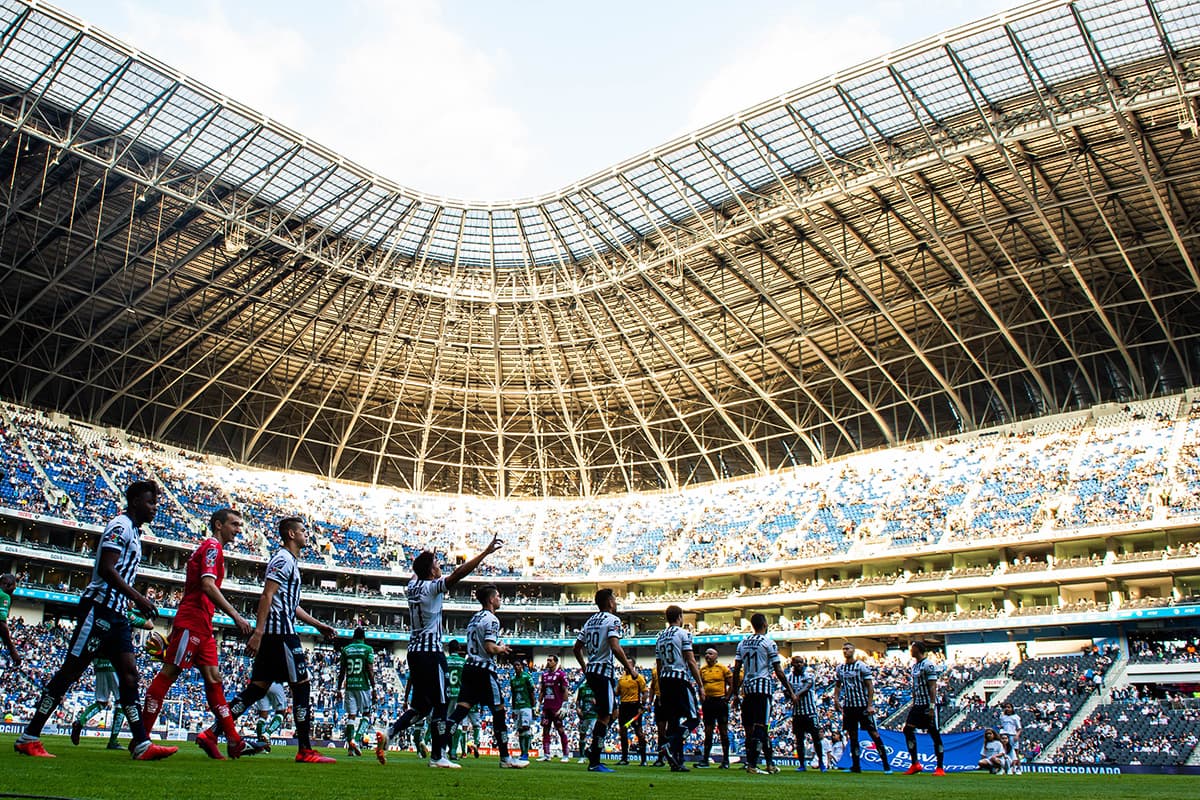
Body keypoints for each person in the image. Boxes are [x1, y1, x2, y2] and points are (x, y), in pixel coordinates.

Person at [15, 481, 176, 760]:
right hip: (99, 610)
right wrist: (139, 598)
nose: (155, 508)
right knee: (70, 672)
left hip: (117, 615)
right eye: (151, 503)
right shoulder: (120, 526)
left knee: (130, 675)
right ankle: (30, 736)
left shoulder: (135, 533)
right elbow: (106, 568)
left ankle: (141, 744)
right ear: (136, 501)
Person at [198, 516, 338, 764]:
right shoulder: (283, 559)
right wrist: (259, 633)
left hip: (277, 633)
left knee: (255, 690)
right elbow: (267, 596)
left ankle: (212, 733)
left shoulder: (291, 562)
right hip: (280, 635)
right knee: (302, 686)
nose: (307, 535)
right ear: (292, 535)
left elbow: (291, 606)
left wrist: (318, 625)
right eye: (303, 531)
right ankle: (305, 749)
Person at [375, 535, 503, 768]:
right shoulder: (432, 587)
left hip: (413, 652)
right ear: (431, 571)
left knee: (421, 706)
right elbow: (459, 574)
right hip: (431, 652)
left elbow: (419, 570)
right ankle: (437, 756)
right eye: (437, 564)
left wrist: (428, 559)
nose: (440, 567)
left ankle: (391, 731)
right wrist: (484, 553)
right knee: (442, 702)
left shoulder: (412, 586)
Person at [141, 508, 256, 759]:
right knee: (169, 673)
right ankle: (142, 741)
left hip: (203, 625)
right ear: (218, 525)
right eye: (234, 524)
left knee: (214, 679)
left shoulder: (214, 548)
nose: (238, 530)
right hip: (192, 621)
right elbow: (207, 584)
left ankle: (233, 740)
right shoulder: (212, 547)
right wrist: (236, 615)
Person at [445, 584, 526, 768]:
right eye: (498, 596)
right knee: (499, 712)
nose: (500, 599)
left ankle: (440, 750)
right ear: (491, 599)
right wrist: (502, 648)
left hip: (470, 667)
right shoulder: (492, 620)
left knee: (460, 711)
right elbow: (490, 648)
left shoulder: (474, 618)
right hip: (484, 670)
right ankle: (505, 758)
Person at [573, 587, 637, 773]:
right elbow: (615, 647)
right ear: (609, 602)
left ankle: (593, 751)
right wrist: (629, 667)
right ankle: (594, 760)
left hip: (592, 671)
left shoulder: (590, 621)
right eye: (614, 600)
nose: (616, 603)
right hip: (603, 672)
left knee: (613, 713)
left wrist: (585, 667)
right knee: (605, 715)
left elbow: (576, 648)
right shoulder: (613, 620)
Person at [71, 611, 153, 750]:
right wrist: (140, 611)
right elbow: (149, 625)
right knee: (121, 702)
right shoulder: (126, 613)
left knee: (101, 702)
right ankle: (113, 740)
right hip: (115, 662)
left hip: (99, 662)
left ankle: (81, 720)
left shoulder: (104, 610)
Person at [731, 612, 795, 775]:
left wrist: (735, 693)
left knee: (750, 730)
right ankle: (752, 765)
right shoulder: (769, 643)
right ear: (765, 624)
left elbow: (737, 669)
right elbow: (779, 671)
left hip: (747, 690)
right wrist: (790, 691)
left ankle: (770, 764)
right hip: (762, 689)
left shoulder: (742, 643)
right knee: (760, 728)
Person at [654, 605, 705, 772]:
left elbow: (659, 665)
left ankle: (678, 761)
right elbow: (690, 660)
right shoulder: (683, 634)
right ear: (680, 617)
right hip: (679, 679)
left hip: (665, 681)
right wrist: (700, 684)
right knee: (694, 718)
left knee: (674, 722)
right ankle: (671, 745)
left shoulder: (660, 637)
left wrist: (660, 689)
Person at [833, 642, 891, 774]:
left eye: (847, 649)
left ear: (853, 650)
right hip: (849, 707)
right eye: (843, 649)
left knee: (874, 734)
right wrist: (836, 699)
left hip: (862, 706)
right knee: (852, 736)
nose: (845, 651)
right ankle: (856, 765)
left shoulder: (861, 666)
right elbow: (838, 685)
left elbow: (870, 686)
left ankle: (886, 765)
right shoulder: (840, 668)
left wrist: (870, 704)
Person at [901, 641, 945, 776]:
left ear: (918, 649)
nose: (910, 650)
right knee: (907, 729)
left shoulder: (928, 664)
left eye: (912, 648)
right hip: (918, 704)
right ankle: (915, 763)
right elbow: (915, 686)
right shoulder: (914, 666)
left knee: (934, 733)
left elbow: (932, 686)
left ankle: (939, 767)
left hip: (927, 704)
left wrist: (932, 706)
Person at [339, 627, 376, 757]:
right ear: (363, 637)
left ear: (353, 637)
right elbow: (370, 669)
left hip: (350, 687)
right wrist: (374, 688)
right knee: (366, 714)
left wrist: (339, 688)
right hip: (363, 686)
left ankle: (350, 747)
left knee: (351, 716)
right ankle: (356, 739)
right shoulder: (368, 649)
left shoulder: (346, 650)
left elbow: (342, 671)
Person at [788, 655, 825, 772]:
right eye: (797, 662)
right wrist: (789, 695)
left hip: (810, 712)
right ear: (792, 664)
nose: (799, 664)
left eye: (801, 662)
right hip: (797, 713)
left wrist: (795, 695)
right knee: (799, 739)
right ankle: (802, 764)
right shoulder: (789, 678)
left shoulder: (808, 674)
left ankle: (822, 763)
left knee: (816, 738)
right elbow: (786, 691)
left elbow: (807, 686)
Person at [697, 647, 731, 768]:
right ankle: (705, 760)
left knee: (723, 732)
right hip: (708, 703)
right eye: (706, 654)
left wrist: (727, 698)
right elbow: (699, 685)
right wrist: (702, 698)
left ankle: (726, 760)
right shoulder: (702, 670)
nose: (707, 656)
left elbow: (731, 683)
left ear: (716, 656)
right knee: (708, 732)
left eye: (710, 654)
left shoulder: (722, 668)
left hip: (720, 702)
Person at [538, 654, 571, 761]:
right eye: (547, 660)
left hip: (557, 707)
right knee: (545, 730)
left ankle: (565, 755)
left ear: (556, 662)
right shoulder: (544, 675)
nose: (548, 662)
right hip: (547, 707)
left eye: (550, 660)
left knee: (560, 730)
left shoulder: (561, 674)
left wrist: (565, 705)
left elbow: (565, 689)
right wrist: (538, 703)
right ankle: (546, 755)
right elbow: (542, 690)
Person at [615, 660, 648, 766]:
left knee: (639, 732)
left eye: (628, 663)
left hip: (634, 706)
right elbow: (617, 692)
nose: (626, 665)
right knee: (623, 732)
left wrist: (642, 705)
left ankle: (644, 759)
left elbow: (645, 692)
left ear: (633, 665)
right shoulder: (621, 678)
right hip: (624, 706)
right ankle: (624, 758)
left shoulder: (638, 677)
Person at [443, 640, 470, 760]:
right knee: (457, 723)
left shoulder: (445, 661)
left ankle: (445, 748)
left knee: (447, 722)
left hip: (447, 694)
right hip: (459, 695)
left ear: (449, 649)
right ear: (459, 648)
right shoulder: (463, 662)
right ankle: (453, 750)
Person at [510, 660, 537, 762]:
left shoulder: (527, 677)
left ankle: (526, 753)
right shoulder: (512, 680)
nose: (516, 667)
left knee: (526, 728)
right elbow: (513, 695)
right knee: (520, 730)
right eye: (515, 665)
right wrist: (513, 709)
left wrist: (534, 708)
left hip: (526, 706)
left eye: (518, 665)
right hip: (517, 707)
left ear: (521, 666)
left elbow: (532, 693)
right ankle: (522, 753)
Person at [574, 677, 597, 763]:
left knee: (596, 735)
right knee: (582, 734)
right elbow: (578, 701)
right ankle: (582, 756)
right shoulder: (582, 687)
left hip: (595, 715)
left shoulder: (597, 687)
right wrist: (578, 709)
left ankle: (594, 755)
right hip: (584, 715)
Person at [0, 573, 21, 669]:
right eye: (13, 587)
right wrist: (12, 650)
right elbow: (1, 624)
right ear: (6, 585)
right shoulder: (4, 596)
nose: (14, 589)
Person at [997, 702, 1022, 773]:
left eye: (1009, 707)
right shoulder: (1002, 716)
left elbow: (1019, 728)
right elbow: (1002, 725)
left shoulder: (1015, 717)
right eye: (1006, 707)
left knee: (1015, 752)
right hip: (1004, 735)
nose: (1007, 709)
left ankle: (1017, 768)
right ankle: (1005, 768)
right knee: (1004, 752)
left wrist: (1017, 735)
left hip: (1012, 735)